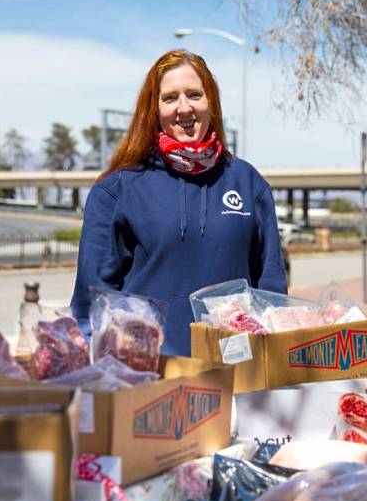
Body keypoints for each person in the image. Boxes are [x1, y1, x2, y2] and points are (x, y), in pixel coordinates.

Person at [70, 50, 288, 356]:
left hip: (235, 369)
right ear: (154, 108)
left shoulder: (248, 183)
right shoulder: (116, 190)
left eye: (195, 95)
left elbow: (272, 293)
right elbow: (91, 305)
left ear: (211, 102)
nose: (184, 108)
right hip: (150, 375)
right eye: (170, 98)